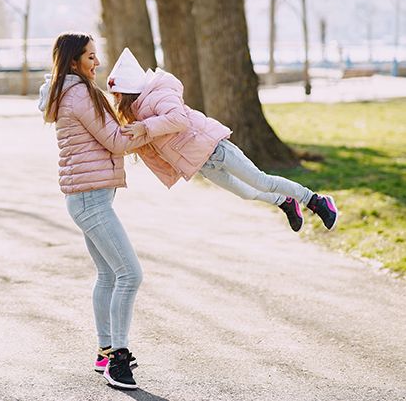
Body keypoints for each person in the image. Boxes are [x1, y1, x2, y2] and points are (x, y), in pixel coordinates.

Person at [108, 48, 339, 232]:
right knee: (247, 193)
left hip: (215, 148)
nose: (115, 99)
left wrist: (144, 127)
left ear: (127, 90)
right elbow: (147, 139)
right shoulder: (138, 113)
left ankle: (317, 201)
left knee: (261, 181)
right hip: (203, 165)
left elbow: (178, 119)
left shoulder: (158, 94)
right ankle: (285, 202)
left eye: (116, 94)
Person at [38, 33, 150, 390]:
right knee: (130, 274)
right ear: (73, 62)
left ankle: (104, 351)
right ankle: (118, 360)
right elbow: (116, 140)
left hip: (89, 197)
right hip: (91, 200)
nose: (97, 62)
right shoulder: (81, 94)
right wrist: (153, 128)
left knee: (108, 276)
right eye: (90, 56)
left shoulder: (69, 91)